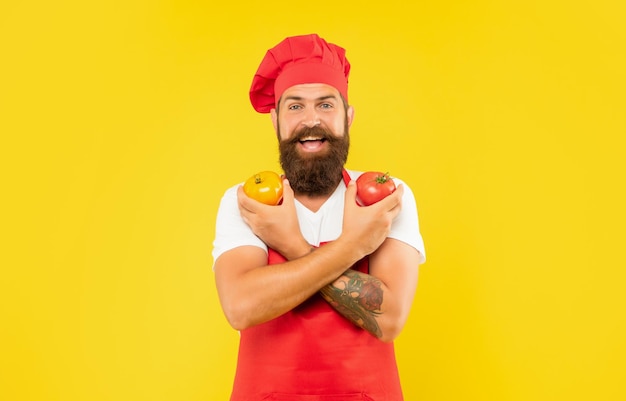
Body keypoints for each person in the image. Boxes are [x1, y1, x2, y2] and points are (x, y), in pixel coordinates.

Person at [212, 33, 426, 401]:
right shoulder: (248, 201)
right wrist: (355, 246)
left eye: (326, 105)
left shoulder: (384, 195)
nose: (311, 120)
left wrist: (293, 245)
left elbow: (389, 320)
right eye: (295, 107)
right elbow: (241, 307)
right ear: (275, 119)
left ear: (349, 116)